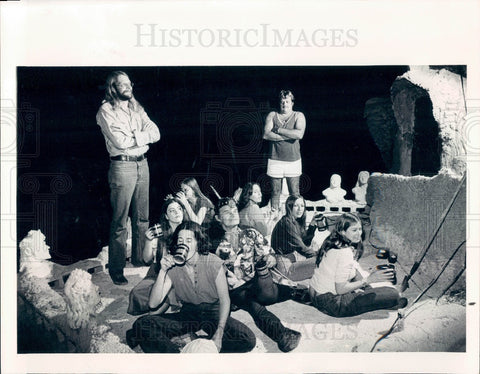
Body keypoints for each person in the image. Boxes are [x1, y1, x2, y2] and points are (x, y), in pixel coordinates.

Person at [126, 221, 256, 353]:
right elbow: (153, 304)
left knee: (247, 339)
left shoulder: (213, 262)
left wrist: (219, 334)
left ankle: (200, 342)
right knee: (142, 324)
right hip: (189, 313)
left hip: (213, 313)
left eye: (189, 240)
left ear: (198, 243)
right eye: (180, 240)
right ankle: (178, 359)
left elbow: (225, 300)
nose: (184, 244)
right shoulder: (173, 265)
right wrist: (162, 271)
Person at [209, 197, 303, 353]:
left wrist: (270, 259)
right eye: (226, 211)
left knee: (285, 291)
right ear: (218, 218)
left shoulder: (250, 233)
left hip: (257, 283)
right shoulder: (213, 243)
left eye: (234, 210)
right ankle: (283, 335)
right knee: (253, 305)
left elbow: (268, 254)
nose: (232, 213)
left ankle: (306, 294)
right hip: (233, 289)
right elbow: (211, 271)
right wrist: (228, 279)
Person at [96, 71, 160, 285]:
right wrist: (143, 139)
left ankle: (141, 261)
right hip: (122, 165)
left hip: (143, 163)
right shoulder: (106, 110)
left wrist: (137, 139)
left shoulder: (136, 108)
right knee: (120, 222)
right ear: (113, 87)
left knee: (143, 218)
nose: (127, 87)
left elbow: (156, 132)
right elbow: (121, 142)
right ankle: (116, 269)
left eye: (128, 83)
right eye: (122, 84)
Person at [309, 213, 407, 317]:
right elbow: (340, 289)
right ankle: (382, 296)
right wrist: (368, 280)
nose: (359, 233)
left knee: (355, 271)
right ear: (343, 231)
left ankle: (371, 292)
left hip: (313, 294)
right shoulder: (344, 252)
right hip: (333, 304)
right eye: (354, 230)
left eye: (360, 229)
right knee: (393, 294)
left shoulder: (333, 242)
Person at [127, 196, 186, 315]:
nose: (177, 212)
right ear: (166, 216)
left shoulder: (189, 230)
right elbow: (147, 260)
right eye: (172, 210)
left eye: (179, 209)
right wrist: (148, 241)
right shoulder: (159, 232)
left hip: (181, 274)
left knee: (162, 302)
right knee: (136, 293)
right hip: (159, 272)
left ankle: (169, 302)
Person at [263, 90, 306, 211]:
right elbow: (266, 135)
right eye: (282, 102)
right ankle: (275, 217)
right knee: (275, 192)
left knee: (294, 193)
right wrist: (289, 135)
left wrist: (278, 130)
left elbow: (299, 134)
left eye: (287, 102)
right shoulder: (272, 115)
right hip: (275, 159)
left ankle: (295, 219)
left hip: (293, 160)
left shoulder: (299, 115)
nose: (284, 104)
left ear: (292, 103)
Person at [271, 195, 325, 281]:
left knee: (322, 260)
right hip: (286, 268)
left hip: (291, 260)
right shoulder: (286, 223)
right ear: (289, 207)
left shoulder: (295, 221)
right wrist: (320, 256)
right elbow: (301, 247)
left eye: (302, 206)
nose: (300, 209)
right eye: (296, 206)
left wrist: (312, 225)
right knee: (322, 262)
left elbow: (305, 243)